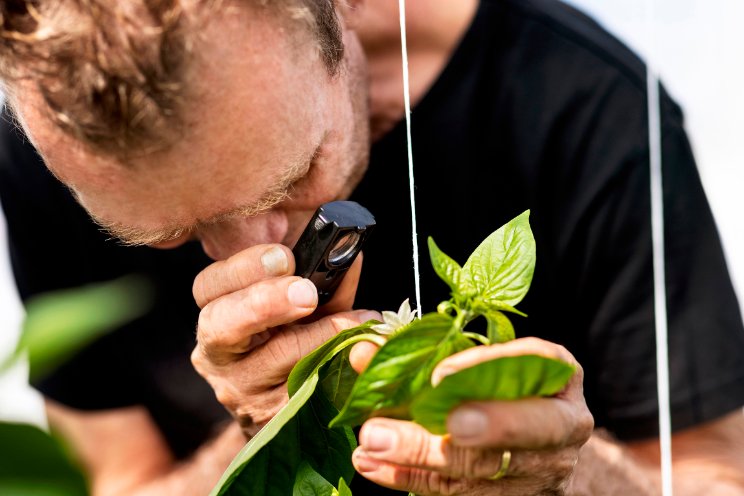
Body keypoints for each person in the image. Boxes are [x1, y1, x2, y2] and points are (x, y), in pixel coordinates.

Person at [1, 0, 744, 494]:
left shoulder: (588, 108)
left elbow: (715, 475)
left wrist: (567, 469)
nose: (256, 253)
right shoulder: (48, 141)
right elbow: (117, 481)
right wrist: (268, 433)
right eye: (169, 234)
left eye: (290, 180)